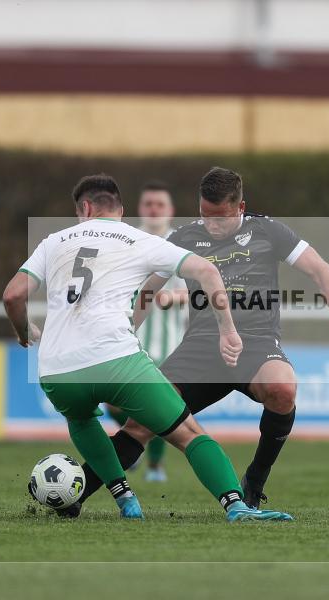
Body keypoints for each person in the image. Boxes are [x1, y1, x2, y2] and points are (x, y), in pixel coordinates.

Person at [68, 166, 329, 515]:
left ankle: (255, 481)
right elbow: (148, 291)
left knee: (284, 389)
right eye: (204, 216)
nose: (211, 226)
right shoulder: (184, 237)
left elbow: (321, 269)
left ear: (240, 208)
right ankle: (74, 494)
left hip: (256, 342)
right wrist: (124, 331)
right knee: (142, 422)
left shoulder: (268, 230)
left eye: (220, 219)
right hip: (200, 346)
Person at [2, 173, 292, 522]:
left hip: (56, 368)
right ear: (121, 211)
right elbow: (206, 272)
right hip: (116, 359)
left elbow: (13, 295)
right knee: (187, 434)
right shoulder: (138, 239)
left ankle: (124, 498)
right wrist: (227, 329)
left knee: (83, 421)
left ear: (85, 208)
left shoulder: (53, 241)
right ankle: (236, 504)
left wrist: (24, 332)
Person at [105, 181, 187, 483]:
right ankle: (133, 448)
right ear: (140, 209)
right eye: (148, 204)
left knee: (158, 407)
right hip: (126, 337)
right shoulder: (126, 241)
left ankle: (154, 466)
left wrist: (173, 297)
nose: (154, 209)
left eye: (159, 204)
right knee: (111, 402)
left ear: (170, 211)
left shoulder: (180, 246)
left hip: (169, 343)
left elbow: (203, 292)